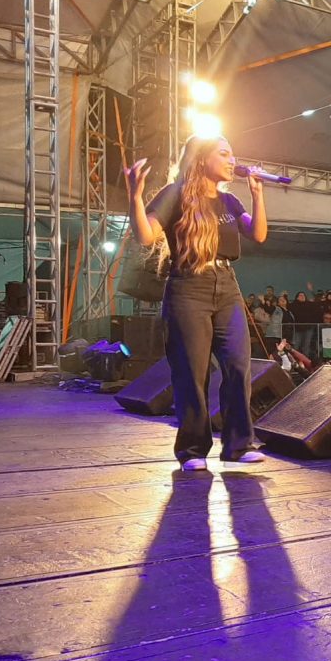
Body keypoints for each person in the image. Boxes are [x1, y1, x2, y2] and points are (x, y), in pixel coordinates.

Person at [125, 135, 268, 471]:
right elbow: (146, 235)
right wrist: (134, 196)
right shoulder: (175, 194)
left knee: (238, 366)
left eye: (233, 155)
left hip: (227, 286)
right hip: (189, 286)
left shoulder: (230, 201)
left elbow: (259, 234)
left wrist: (258, 195)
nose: (232, 160)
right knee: (192, 373)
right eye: (224, 154)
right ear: (202, 159)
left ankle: (238, 445)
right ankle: (192, 449)